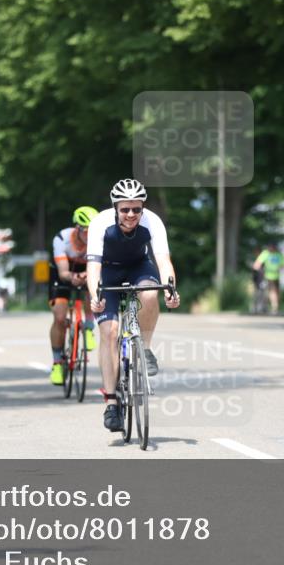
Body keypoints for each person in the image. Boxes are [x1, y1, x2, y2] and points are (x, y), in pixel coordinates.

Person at [86, 179, 180, 432]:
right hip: (108, 271)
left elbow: (163, 262)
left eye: (136, 209)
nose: (131, 215)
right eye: (125, 209)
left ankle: (145, 349)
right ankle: (112, 403)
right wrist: (95, 296)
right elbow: (93, 268)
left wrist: (170, 288)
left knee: (149, 295)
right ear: (115, 207)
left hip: (140, 266)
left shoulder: (153, 221)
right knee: (109, 332)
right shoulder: (100, 224)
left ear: (142, 208)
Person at [47, 206, 99, 385]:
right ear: (77, 228)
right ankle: (57, 363)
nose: (90, 236)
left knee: (92, 291)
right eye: (86, 231)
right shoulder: (62, 239)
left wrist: (88, 276)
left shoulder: (99, 239)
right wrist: (73, 277)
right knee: (60, 317)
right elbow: (63, 273)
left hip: (86, 269)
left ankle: (89, 327)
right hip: (63, 273)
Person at [252, 242, 284, 314]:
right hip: (267, 276)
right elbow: (256, 265)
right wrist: (261, 270)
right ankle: (273, 307)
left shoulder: (279, 254)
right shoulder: (265, 253)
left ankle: (274, 306)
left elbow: (282, 266)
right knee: (270, 291)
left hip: (276, 276)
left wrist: (278, 269)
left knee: (276, 292)